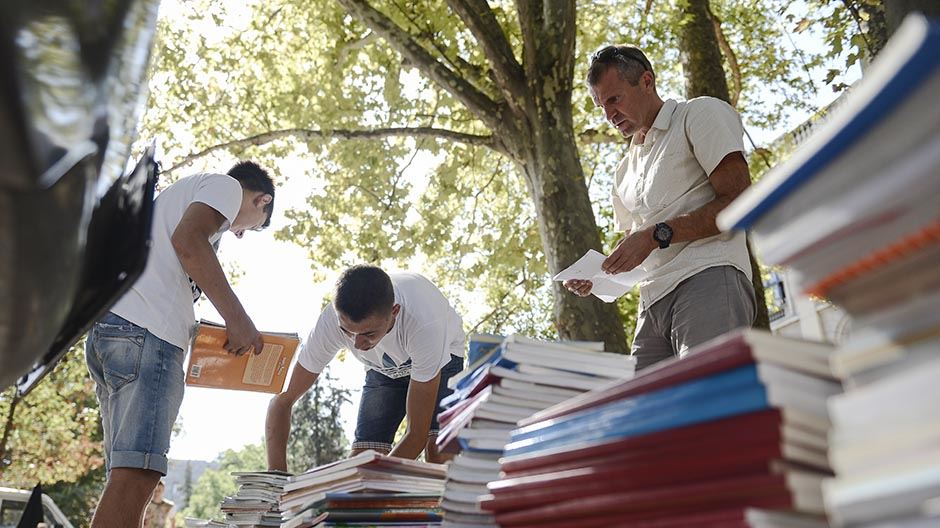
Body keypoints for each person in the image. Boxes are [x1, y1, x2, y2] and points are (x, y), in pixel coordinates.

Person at [85, 161, 276, 527]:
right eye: (253, 227)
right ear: (262, 201)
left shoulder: (177, 199)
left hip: (114, 331)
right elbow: (189, 241)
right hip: (147, 334)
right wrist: (239, 320)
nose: (239, 234)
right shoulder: (226, 187)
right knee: (138, 474)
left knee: (126, 475)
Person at [565, 45, 756, 370]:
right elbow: (634, 245)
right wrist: (600, 274)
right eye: (600, 106)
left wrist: (655, 235)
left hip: (707, 276)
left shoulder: (699, 114)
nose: (609, 116)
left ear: (647, 81)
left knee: (705, 403)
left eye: (615, 99)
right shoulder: (623, 170)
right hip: (651, 304)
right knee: (645, 415)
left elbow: (740, 204)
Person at [266, 265, 465, 469]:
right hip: (383, 369)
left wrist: (375, 481)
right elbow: (282, 401)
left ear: (394, 311)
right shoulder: (329, 324)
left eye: (368, 334)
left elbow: (416, 435)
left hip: (444, 359)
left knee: (438, 452)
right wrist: (276, 483)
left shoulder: (424, 324)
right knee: (362, 460)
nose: (357, 344)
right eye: (347, 332)